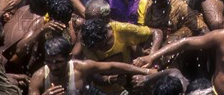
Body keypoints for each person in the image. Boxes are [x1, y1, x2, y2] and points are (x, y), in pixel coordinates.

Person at [28, 37, 156, 95]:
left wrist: (146, 71)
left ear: (69, 57)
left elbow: (112, 66)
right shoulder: (39, 77)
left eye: (58, 62)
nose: (53, 67)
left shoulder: (80, 67)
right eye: (49, 62)